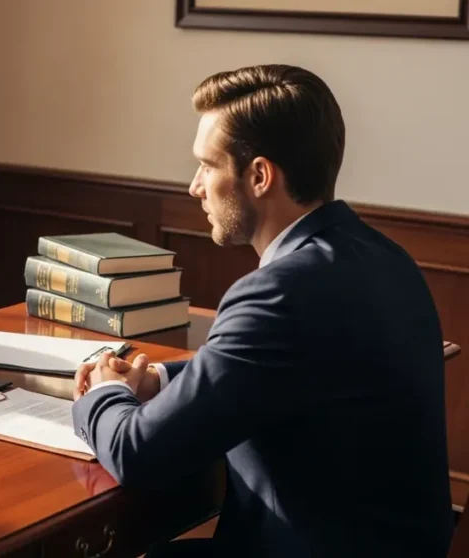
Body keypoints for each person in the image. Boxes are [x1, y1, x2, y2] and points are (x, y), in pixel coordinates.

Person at [71, 64, 452, 557]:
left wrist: (104, 393)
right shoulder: (386, 259)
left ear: (259, 176)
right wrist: (159, 381)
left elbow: (136, 454)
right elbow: (275, 366)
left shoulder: (277, 294)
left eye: (207, 165)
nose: (195, 186)